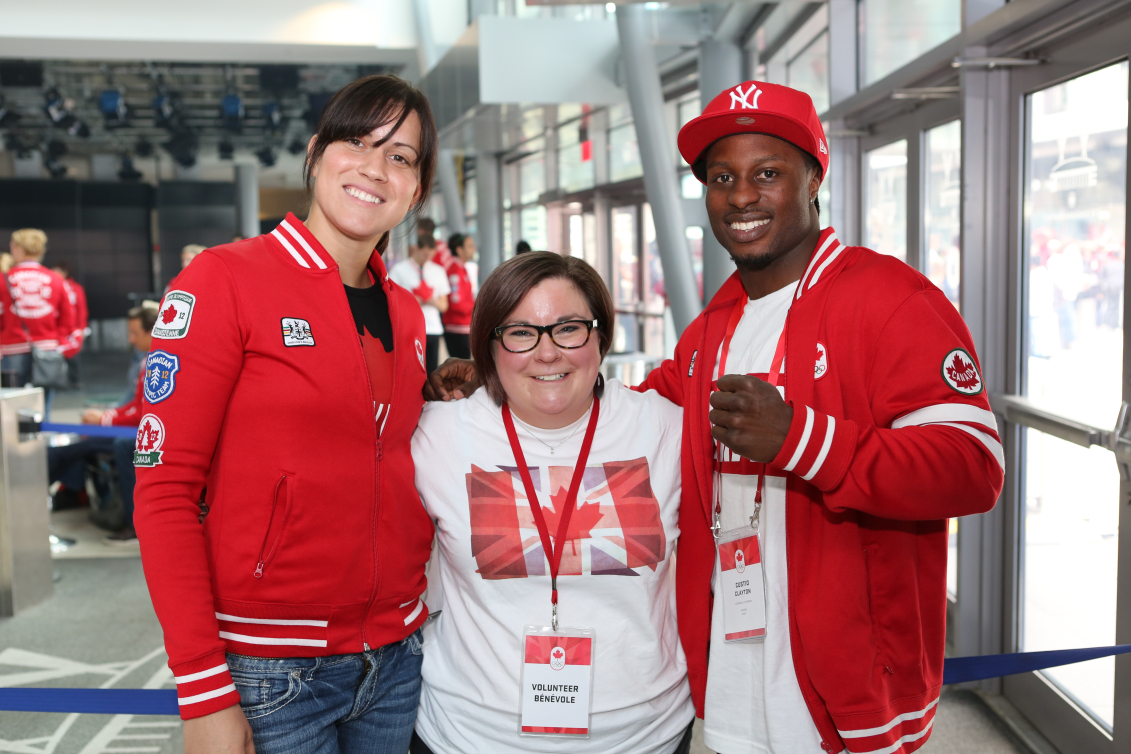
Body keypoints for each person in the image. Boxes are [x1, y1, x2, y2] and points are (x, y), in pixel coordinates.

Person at [428, 82, 1004, 754]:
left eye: (767, 173)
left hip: (844, 684)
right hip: (730, 674)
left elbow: (973, 469)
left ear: (814, 176)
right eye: (721, 177)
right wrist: (496, 379)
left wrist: (802, 439)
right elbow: (623, 409)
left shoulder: (888, 297)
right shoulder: (711, 329)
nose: (740, 196)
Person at [134, 74, 439, 754]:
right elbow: (164, 494)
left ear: (415, 189)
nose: (374, 167)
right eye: (356, 142)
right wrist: (203, 691)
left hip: (395, 657)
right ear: (315, 153)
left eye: (400, 156)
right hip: (271, 669)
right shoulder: (223, 280)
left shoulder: (407, 312)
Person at [411, 252, 694, 754]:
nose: (547, 353)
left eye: (568, 329)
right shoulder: (438, 435)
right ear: (489, 345)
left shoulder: (665, 430)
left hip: (644, 735)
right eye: (521, 332)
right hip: (470, 735)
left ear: (601, 335)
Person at [48, 302, 158, 542]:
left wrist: (106, 419)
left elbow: (143, 412)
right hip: (137, 427)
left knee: (117, 444)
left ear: (152, 332)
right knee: (85, 438)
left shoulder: (157, 362)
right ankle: (72, 492)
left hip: (148, 433)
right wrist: (106, 416)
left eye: (134, 333)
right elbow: (134, 404)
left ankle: (132, 523)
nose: (130, 339)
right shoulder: (144, 360)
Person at [6, 229, 78, 411]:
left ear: (18, 248)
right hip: (47, 352)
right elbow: (69, 320)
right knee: (42, 405)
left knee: (11, 406)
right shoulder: (56, 279)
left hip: (11, 350)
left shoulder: (4, 279)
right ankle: (40, 437)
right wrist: (55, 341)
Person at [391, 232, 449, 373]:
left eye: (430, 256)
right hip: (409, 329)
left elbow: (444, 306)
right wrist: (412, 301)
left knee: (431, 371)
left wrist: (430, 301)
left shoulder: (438, 271)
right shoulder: (399, 270)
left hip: (433, 328)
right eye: (424, 255)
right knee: (411, 370)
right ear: (416, 248)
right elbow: (391, 301)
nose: (427, 259)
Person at [52, 261, 88, 388]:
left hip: (73, 329)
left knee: (73, 355)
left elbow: (81, 309)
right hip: (58, 329)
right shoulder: (52, 286)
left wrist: (82, 327)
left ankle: (75, 380)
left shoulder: (76, 288)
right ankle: (58, 381)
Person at [441, 233, 476, 360]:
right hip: (457, 328)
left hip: (463, 327)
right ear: (459, 250)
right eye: (470, 246)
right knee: (460, 370)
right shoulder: (455, 271)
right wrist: (476, 307)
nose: (474, 249)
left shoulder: (462, 269)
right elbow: (457, 303)